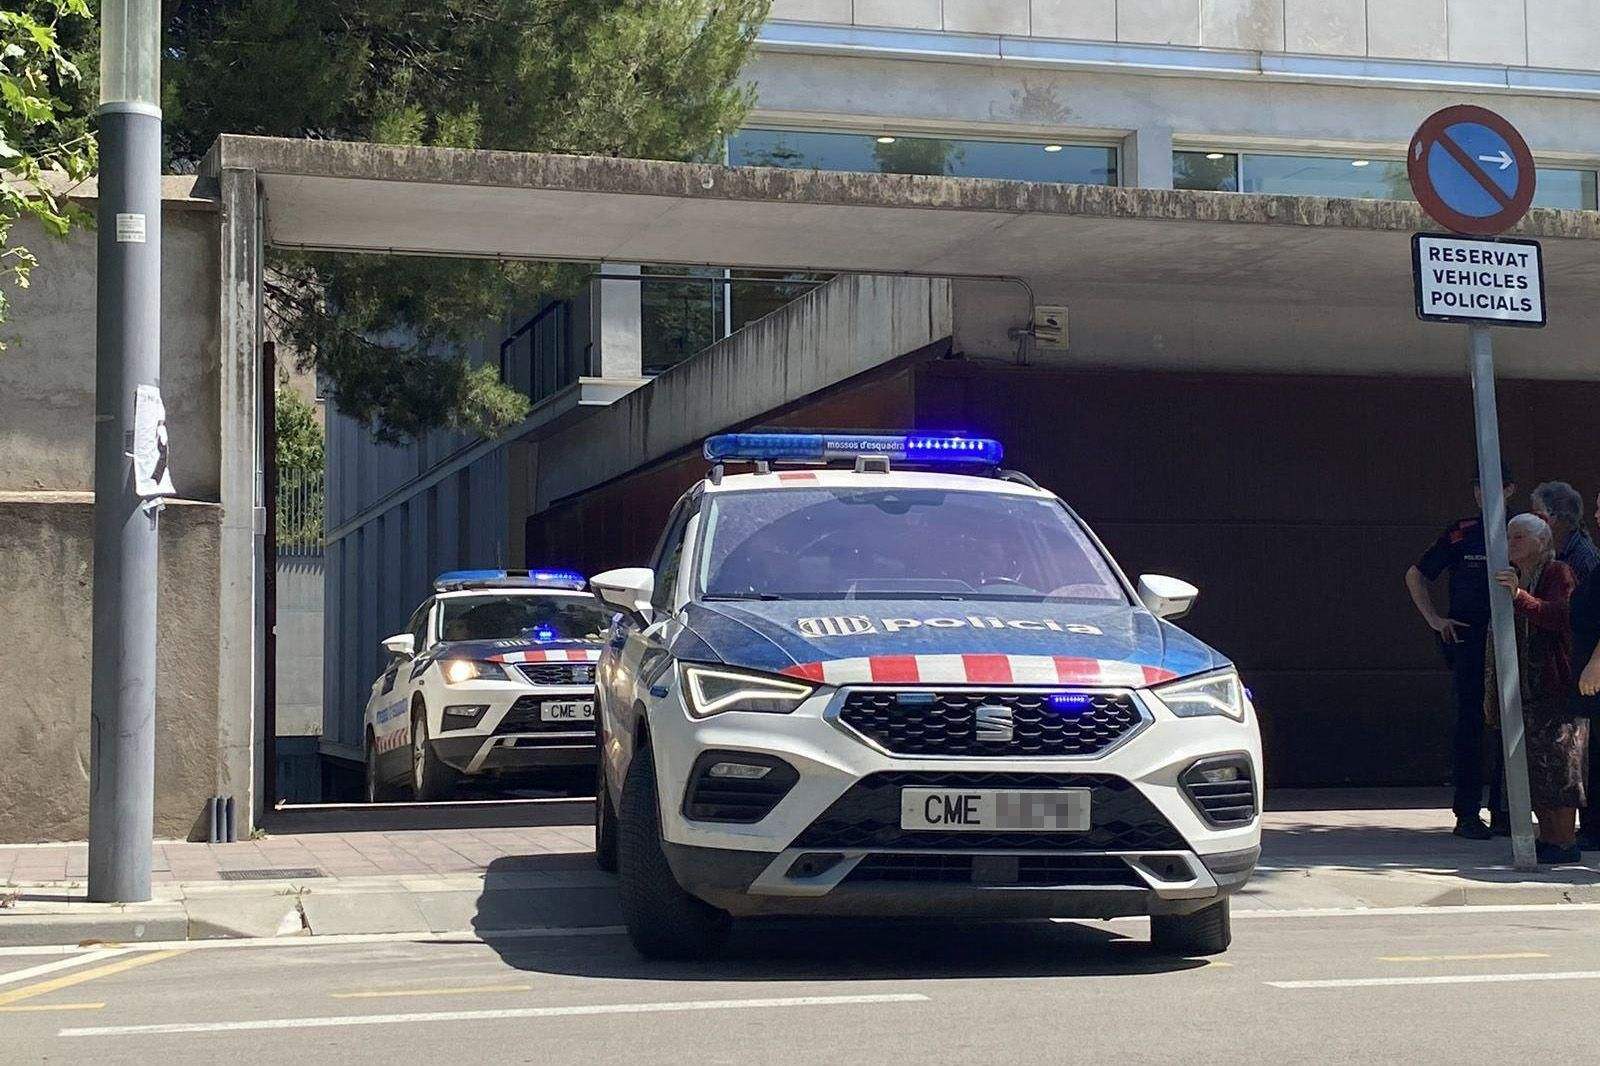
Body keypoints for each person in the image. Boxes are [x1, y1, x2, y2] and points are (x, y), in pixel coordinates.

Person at [1405, 464, 1515, 840]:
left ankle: (1506, 810)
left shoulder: (1521, 532)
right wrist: (1435, 619)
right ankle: (1467, 813)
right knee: (1468, 725)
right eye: (1477, 488)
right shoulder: (1461, 533)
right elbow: (1416, 574)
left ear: (1510, 490)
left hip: (1511, 640)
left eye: (1491, 488)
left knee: (1511, 725)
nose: (1482, 495)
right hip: (1468, 639)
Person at [1487, 514, 1584, 864]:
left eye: (1519, 537)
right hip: (1524, 691)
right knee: (1535, 773)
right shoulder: (1513, 576)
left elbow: (1560, 615)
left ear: (1541, 542)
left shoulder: (1557, 572)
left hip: (1555, 688)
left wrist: (1519, 596)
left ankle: (1565, 841)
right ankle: (1548, 837)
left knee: (1560, 770)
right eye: (1508, 537)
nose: (1511, 543)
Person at [1569, 491, 1600, 851]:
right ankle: (1593, 827)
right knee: (1593, 756)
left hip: (1596, 671)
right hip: (1587, 670)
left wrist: (1595, 663)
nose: (1595, 515)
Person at [1531, 481, 1600, 585]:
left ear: (1560, 517)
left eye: (1539, 516)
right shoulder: (1545, 552)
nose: (1534, 521)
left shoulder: (1586, 558)